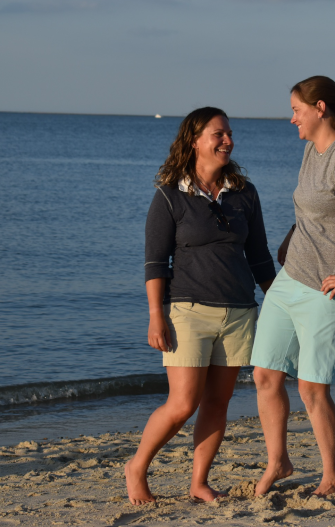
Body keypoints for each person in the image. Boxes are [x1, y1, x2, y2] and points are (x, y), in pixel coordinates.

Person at [125, 107, 276, 505]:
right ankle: (137, 467)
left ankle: (199, 483)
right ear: (194, 140)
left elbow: (259, 256)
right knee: (182, 404)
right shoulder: (170, 195)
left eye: (229, 133)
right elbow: (155, 262)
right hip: (187, 311)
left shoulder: (245, 193)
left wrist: (278, 301)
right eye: (218, 133)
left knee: (217, 402)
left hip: (240, 311)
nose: (227, 140)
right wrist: (156, 316)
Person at [251, 76, 335, 497]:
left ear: (320, 109)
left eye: (296, 109)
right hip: (291, 279)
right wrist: (291, 240)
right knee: (265, 375)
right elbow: (314, 208)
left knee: (312, 388)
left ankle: (333, 477)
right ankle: (280, 461)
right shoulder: (311, 149)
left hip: (331, 290)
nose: (291, 117)